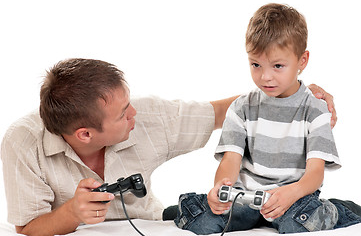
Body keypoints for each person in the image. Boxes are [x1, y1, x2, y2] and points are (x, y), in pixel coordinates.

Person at [0, 58, 335, 236]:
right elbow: (28, 227)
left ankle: (341, 209)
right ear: (85, 134)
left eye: (128, 102)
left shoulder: (148, 116)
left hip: (154, 218)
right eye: (122, 114)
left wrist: (298, 97)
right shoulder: (23, 145)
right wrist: (72, 213)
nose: (134, 114)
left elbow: (224, 111)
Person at [174, 3, 361, 234]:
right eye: (255, 64)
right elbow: (230, 161)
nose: (265, 76)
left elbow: (315, 173)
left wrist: (291, 193)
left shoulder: (315, 109)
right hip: (246, 199)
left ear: (302, 61)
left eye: (278, 66)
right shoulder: (242, 107)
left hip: (293, 198)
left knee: (297, 223)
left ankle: (340, 210)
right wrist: (221, 187)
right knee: (201, 222)